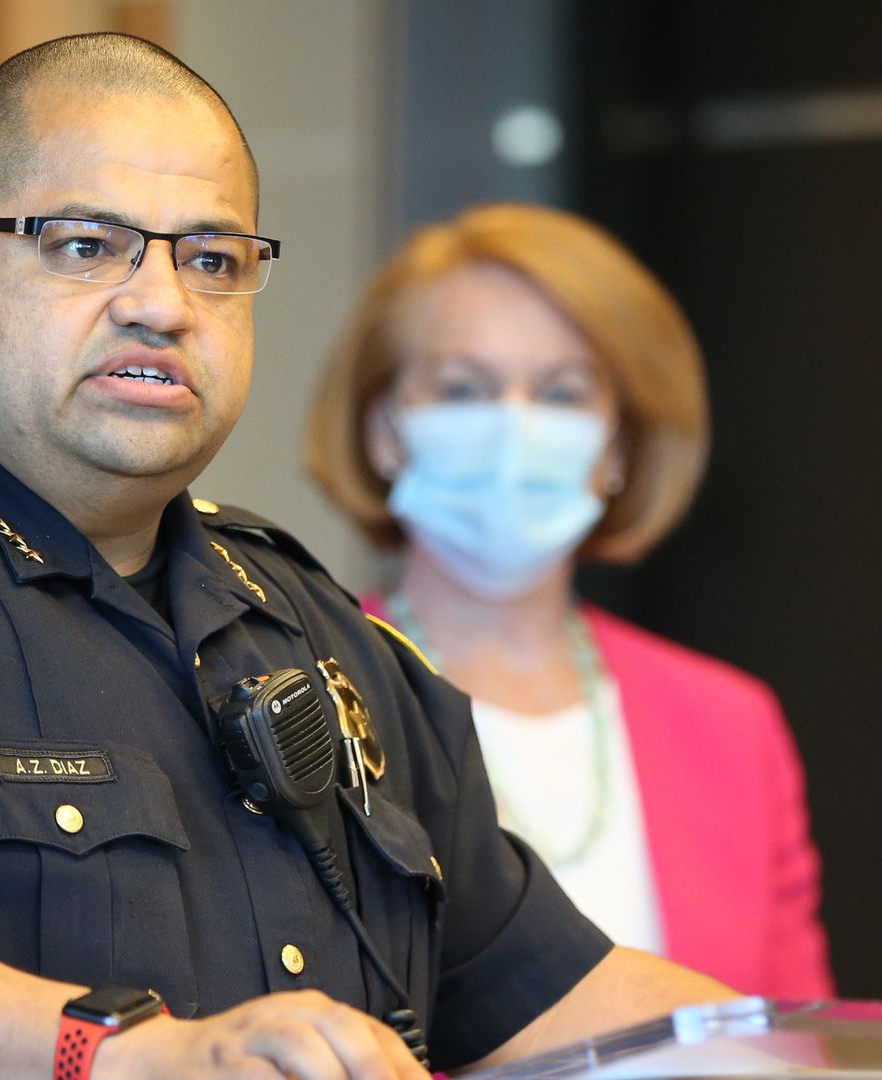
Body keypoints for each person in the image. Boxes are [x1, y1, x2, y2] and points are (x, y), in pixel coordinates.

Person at [0, 33, 737, 1080]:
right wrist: (131, 1056)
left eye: (213, 262)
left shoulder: (314, 629)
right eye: (85, 246)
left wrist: (854, 1052)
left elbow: (556, 996)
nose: (162, 303)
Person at [305, 204, 834, 999]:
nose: (515, 427)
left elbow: (799, 1043)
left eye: (561, 392)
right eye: (463, 387)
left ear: (618, 443)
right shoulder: (300, 692)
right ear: (384, 428)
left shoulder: (731, 723)